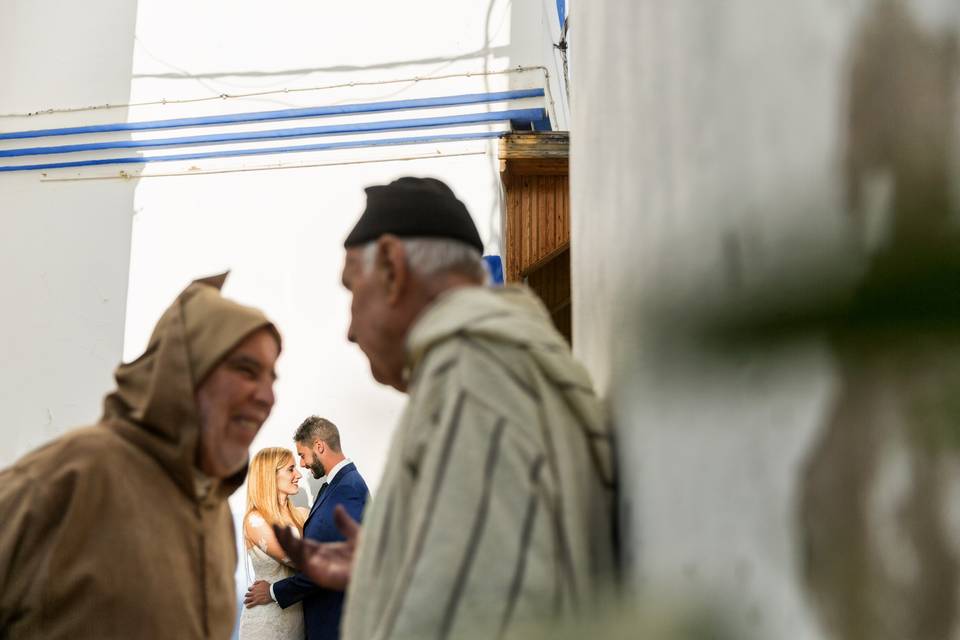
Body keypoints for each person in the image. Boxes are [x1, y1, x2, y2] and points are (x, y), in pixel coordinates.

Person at [275, 177, 617, 640]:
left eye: (352, 289)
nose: (350, 331)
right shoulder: (496, 363)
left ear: (394, 268)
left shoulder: (473, 381)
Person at [0, 273, 281, 639]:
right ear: (182, 369)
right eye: (246, 370)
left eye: (272, 378)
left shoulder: (212, 511)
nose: (267, 397)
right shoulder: (74, 475)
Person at [245, 416, 368, 640]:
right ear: (269, 476)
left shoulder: (347, 489)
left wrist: (273, 591)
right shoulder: (331, 489)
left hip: (328, 620)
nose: (301, 469)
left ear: (319, 446)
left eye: (301, 456)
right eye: (291, 468)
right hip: (279, 620)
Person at [238, 447, 308, 639]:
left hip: (298, 621)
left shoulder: (302, 514)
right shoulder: (255, 520)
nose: (298, 475)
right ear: (270, 476)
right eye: (291, 469)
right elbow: (297, 560)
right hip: (266, 623)